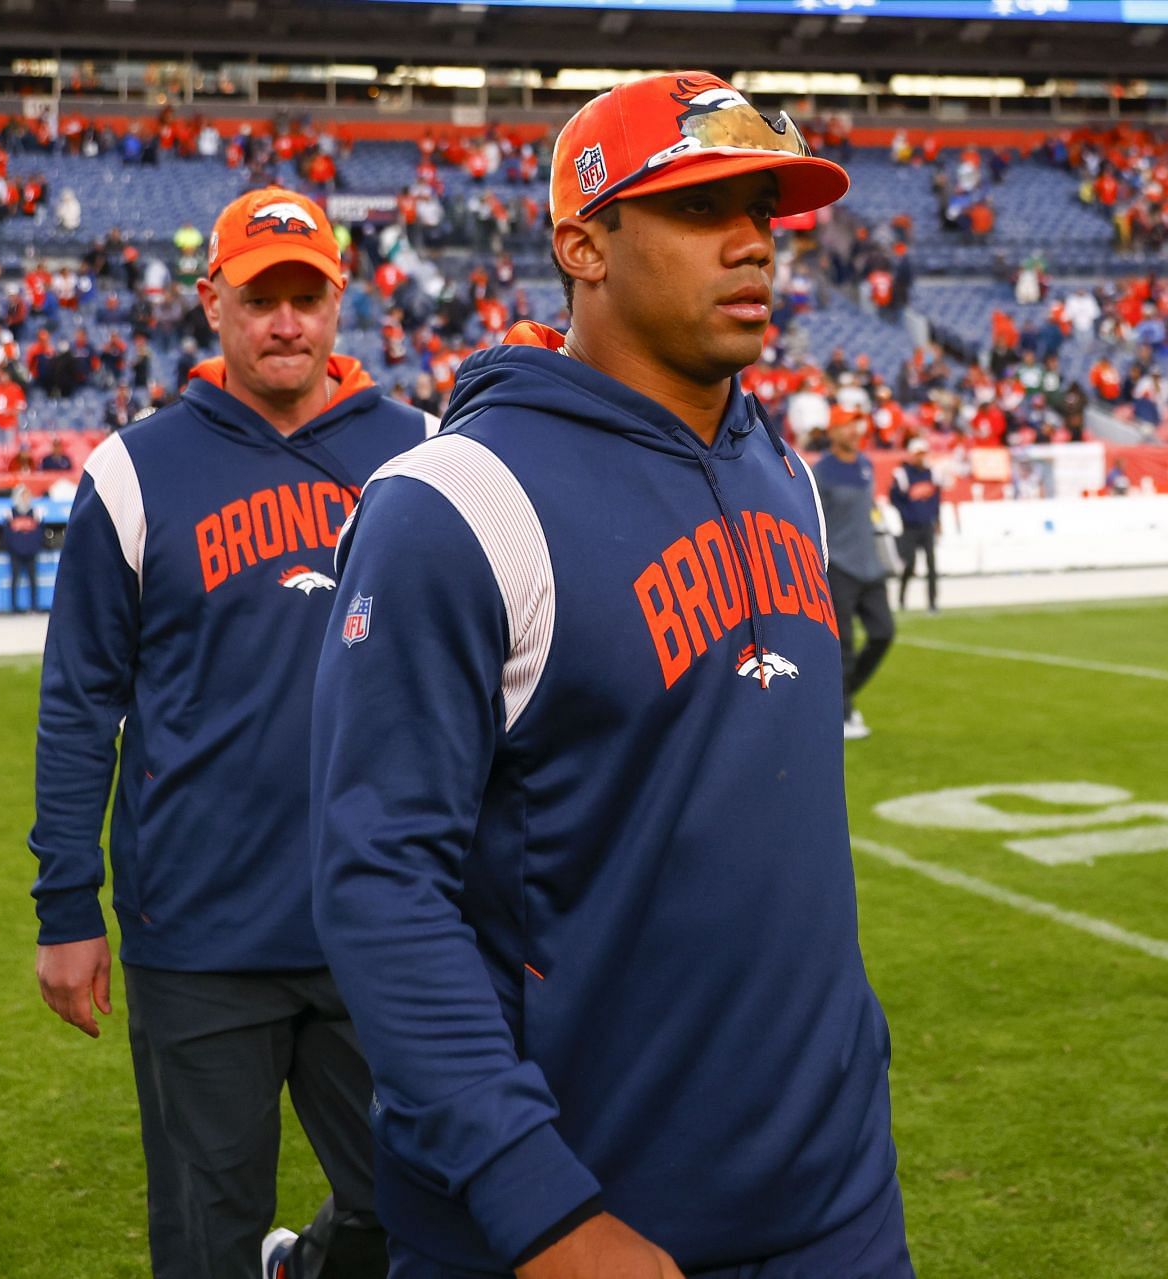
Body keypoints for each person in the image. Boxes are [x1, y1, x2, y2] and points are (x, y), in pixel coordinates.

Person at [308, 74, 909, 1278]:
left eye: (763, 208)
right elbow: (380, 884)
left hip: (835, 1203)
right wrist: (543, 1208)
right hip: (577, 1222)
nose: (754, 243)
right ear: (582, 243)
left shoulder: (779, 470)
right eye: (698, 208)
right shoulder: (454, 503)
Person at [30, 186, 433, 1279]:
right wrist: (66, 905)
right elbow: (79, 699)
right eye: (263, 298)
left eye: (308, 297)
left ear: (343, 302)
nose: (286, 322)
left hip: (384, 917)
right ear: (213, 302)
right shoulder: (135, 468)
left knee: (420, 1210)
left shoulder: (429, 457)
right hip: (198, 927)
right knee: (206, 1239)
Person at [816, 406, 896, 740]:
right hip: (839, 568)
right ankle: (843, 713)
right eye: (848, 426)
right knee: (843, 646)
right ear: (833, 431)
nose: (855, 431)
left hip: (869, 567)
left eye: (857, 425)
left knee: (883, 633)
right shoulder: (821, 472)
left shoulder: (865, 465)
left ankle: (841, 696)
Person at [889, 436, 941, 612]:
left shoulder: (932, 473)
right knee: (909, 564)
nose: (921, 457)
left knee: (932, 565)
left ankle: (932, 603)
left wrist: (937, 519)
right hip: (910, 527)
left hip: (926, 525)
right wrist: (906, 515)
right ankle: (902, 597)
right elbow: (895, 498)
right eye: (918, 454)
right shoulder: (903, 474)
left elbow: (936, 499)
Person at [3, 484, 45, 612]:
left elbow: (40, 532)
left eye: (28, 495)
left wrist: (35, 547)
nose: (26, 498)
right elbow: (6, 534)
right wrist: (13, 548)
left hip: (31, 552)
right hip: (15, 553)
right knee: (15, 579)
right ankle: (14, 607)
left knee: (33, 580)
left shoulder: (36, 512)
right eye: (23, 495)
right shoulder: (10, 513)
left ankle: (34, 606)